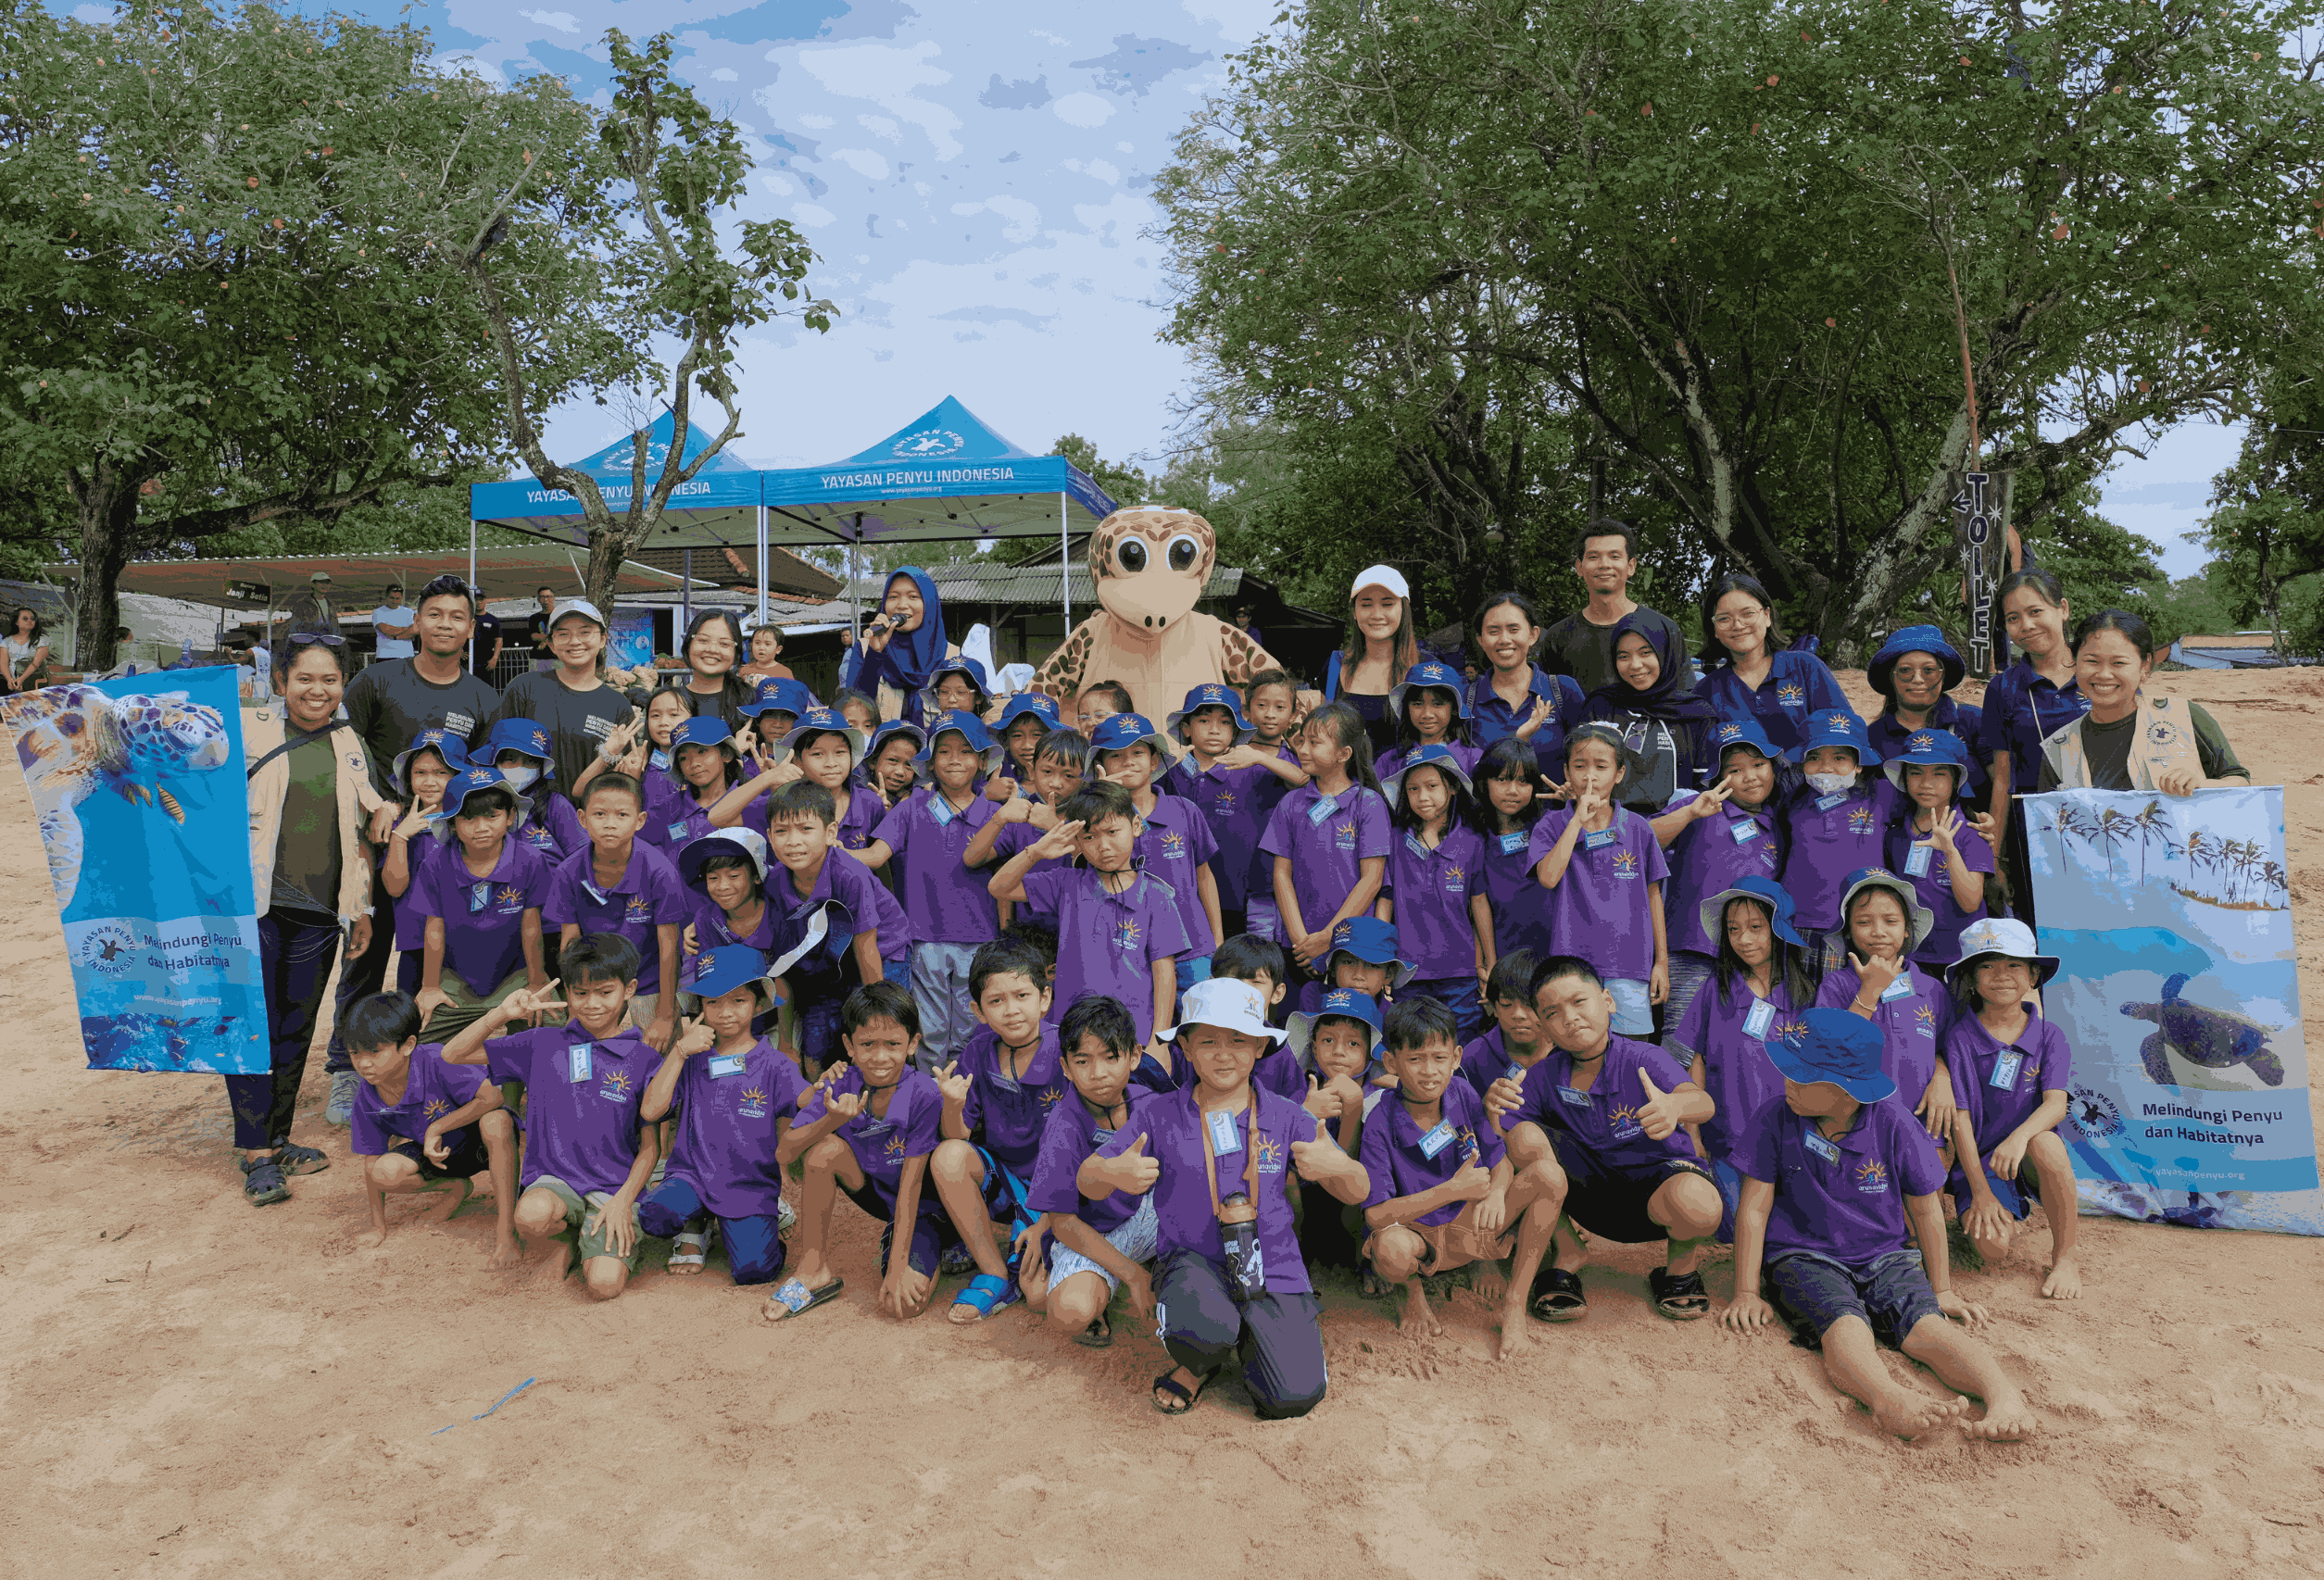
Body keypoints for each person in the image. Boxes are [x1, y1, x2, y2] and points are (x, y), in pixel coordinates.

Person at [1721, 1008, 2037, 1441]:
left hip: (1886, 1254)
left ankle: (2002, 1395)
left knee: (1926, 1324)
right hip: (1804, 1255)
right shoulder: (1775, 1117)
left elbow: (1927, 1210)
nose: (1787, 1084)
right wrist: (1745, 1291)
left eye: (1802, 1077)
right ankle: (1887, 1397)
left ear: (1847, 1092)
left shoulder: (1893, 1123)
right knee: (1843, 1322)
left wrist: (1941, 1287)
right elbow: (1754, 1209)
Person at [1082, 978, 1373, 1419]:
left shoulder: (1287, 1115)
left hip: (1272, 1266)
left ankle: (1258, 1337)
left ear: (1259, 1046)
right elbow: (1086, 1179)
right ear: (1184, 1046)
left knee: (1293, 1397)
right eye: (1209, 1041)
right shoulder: (1157, 1115)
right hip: (1192, 1262)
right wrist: (1112, 1171)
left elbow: (1359, 1187)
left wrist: (1336, 1168)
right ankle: (1198, 1362)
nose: (1223, 1053)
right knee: (1203, 1326)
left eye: (1238, 1040)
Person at [1485, 955, 1722, 1346]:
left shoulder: (1644, 1058)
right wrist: (1494, 1108)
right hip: (1589, 1194)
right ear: (1544, 1026)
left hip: (1656, 1190)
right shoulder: (1543, 1075)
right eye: (1554, 1012)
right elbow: (1504, 1139)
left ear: (1607, 1001)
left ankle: (1679, 1269)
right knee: (1524, 1136)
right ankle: (1566, 1253)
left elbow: (1704, 1103)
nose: (1570, 1017)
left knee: (1700, 1203)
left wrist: (1675, 1107)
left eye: (1579, 1002)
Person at [330, 574, 499, 1121]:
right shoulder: (379, 680)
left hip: (440, 849)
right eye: (435, 614)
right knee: (365, 955)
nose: (445, 624)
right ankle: (343, 1066)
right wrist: (377, 806)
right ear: (415, 623)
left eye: (456, 616)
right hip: (373, 840)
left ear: (470, 628)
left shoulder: (481, 697)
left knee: (423, 959)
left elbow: (483, 778)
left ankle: (413, 1068)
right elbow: (341, 746)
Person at [231, 627, 381, 1205]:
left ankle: (278, 1135)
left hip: (321, 914)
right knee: (253, 1029)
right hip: (255, 908)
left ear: (344, 685)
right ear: (280, 681)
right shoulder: (249, 731)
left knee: (296, 1029)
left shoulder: (349, 743)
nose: (317, 691)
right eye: (304, 679)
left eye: (330, 680)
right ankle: (256, 1152)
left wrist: (360, 908)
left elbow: (364, 834)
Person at [445, 939, 660, 1300]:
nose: (592, 1004)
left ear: (630, 990)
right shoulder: (542, 1043)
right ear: (568, 992)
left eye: (605, 992)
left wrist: (623, 1202)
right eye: (580, 992)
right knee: (531, 1215)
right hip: (554, 1185)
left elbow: (653, 1148)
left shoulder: (644, 1059)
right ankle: (564, 1244)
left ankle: (590, 1241)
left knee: (604, 1287)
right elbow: (452, 1054)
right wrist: (501, 1013)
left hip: (612, 1192)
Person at [1362, 997, 1554, 1339]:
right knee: (1390, 1250)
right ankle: (1413, 1293)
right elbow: (1376, 1216)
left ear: (1456, 1058)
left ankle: (1515, 1301)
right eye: (1415, 1059)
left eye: (1439, 1058)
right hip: (1419, 1234)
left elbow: (1500, 1161)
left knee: (1549, 1176)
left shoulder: (1463, 1092)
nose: (1430, 1071)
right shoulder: (1380, 1120)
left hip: (1473, 1219)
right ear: (1391, 1063)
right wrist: (1451, 1190)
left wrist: (1496, 1193)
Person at [761, 982, 950, 1322]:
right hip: (880, 1197)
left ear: (913, 1045)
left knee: (903, 1306)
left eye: (893, 1044)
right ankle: (813, 1268)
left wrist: (897, 1266)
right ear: (849, 1045)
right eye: (868, 1044)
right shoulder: (840, 1083)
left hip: (928, 1206)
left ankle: (942, 1243)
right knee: (823, 1150)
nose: (879, 1057)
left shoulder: (924, 1093)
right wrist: (830, 1119)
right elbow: (785, 1154)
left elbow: (912, 1186)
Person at [635, 946, 808, 1285]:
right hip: (693, 1177)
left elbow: (808, 1102)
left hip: (749, 1185)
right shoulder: (692, 1057)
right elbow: (651, 1110)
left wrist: (834, 1084)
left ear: (759, 1004)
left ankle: (762, 1222)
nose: (724, 1012)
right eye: (712, 1002)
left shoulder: (776, 1065)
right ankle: (695, 1222)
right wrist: (681, 1050)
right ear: (700, 1007)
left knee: (754, 1271)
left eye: (738, 1001)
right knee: (655, 1215)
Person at [987, 780, 1190, 1054]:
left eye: (1112, 831)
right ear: (1077, 840)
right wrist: (1035, 852)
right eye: (1090, 837)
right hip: (1071, 1030)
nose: (1103, 846)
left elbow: (1164, 972)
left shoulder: (1156, 894)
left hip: (1133, 1034)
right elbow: (999, 887)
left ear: (1136, 826)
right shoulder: (1067, 883)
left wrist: (1159, 1041)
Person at [1665, 878, 1818, 1235]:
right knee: (1737, 1228)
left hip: (1790, 1142)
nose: (1744, 939)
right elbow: (1697, 1060)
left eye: (1755, 927)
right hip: (1727, 1141)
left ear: (1778, 930)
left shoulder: (1805, 995)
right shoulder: (1715, 989)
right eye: (1733, 930)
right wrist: (1694, 1131)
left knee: (1791, 1229)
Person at [1941, 918, 2082, 1299]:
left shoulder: (2050, 1034)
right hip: (1982, 1162)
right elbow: (1961, 1120)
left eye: (2014, 964)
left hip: (2028, 1153)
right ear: (1970, 978)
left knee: (2048, 1145)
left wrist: (2019, 1140)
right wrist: (1981, 1190)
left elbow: (2056, 1104)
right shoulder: (1960, 1038)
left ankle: (2065, 1257)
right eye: (1986, 965)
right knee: (1992, 1250)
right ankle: (1991, 1205)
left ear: (2034, 975)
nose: (2001, 975)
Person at [858, 710, 1004, 1068]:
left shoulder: (997, 813)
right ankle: (931, 1106)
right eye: (944, 751)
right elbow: (876, 855)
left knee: (973, 1030)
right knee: (931, 1031)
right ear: (930, 761)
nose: (955, 759)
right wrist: (826, 852)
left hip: (982, 940)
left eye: (966, 750)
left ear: (983, 760)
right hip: (925, 940)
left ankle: (965, 1107)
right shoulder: (912, 808)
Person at [930, 937, 1063, 1323]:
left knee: (1037, 1293)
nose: (1011, 1010)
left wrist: (1048, 1219)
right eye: (996, 1001)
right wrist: (953, 1103)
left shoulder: (1068, 1047)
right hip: (1006, 1182)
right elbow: (958, 1136)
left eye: (1022, 995)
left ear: (1045, 998)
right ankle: (992, 1270)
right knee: (948, 1156)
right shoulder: (979, 1050)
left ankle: (1037, 1248)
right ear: (978, 1010)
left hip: (1061, 1187)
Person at [344, 990, 519, 1266]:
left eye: (375, 1051)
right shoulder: (367, 1096)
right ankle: (457, 1188)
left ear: (408, 1045)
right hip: (438, 1156)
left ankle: (506, 1232)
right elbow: (371, 1164)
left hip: (480, 1141)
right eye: (355, 1053)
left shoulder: (437, 1059)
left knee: (495, 1121)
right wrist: (378, 1227)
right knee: (384, 1171)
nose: (363, 1063)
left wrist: (437, 1127)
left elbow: (493, 1098)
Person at [1022, 995, 1158, 1349]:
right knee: (1069, 1311)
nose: (1098, 1073)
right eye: (1083, 1061)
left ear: (1134, 1056)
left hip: (1149, 1216)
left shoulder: (1148, 1101)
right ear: (1066, 1068)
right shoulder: (1063, 1123)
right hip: (1094, 1231)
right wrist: (1133, 1275)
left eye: (1111, 1057)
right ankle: (1107, 1280)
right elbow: (1063, 1220)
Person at [1526, 725, 1669, 1038]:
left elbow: (1653, 895)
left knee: (1630, 1054)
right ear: (1566, 771)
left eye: (1601, 766)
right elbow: (1548, 878)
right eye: (1580, 766)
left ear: (1619, 774)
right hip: (1571, 968)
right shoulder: (1551, 825)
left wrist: (1661, 962)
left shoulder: (1638, 828)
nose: (1590, 776)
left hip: (1630, 965)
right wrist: (1578, 819)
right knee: (1576, 1050)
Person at [759, 781, 911, 1069]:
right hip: (830, 959)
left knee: (880, 1036)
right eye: (781, 831)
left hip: (882, 951)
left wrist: (877, 1020)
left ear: (830, 833)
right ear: (769, 836)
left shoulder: (850, 874)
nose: (793, 841)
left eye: (806, 829)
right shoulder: (777, 882)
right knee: (815, 1050)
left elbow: (867, 949)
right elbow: (782, 963)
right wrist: (787, 1044)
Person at [1652, 717, 1786, 1039]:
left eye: (1758, 764)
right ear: (1718, 775)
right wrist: (1690, 813)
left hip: (1747, 956)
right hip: (1692, 951)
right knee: (1682, 1044)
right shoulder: (1700, 805)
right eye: (1735, 770)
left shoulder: (1778, 826)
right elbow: (1639, 841)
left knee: (1731, 1044)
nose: (1749, 777)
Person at [545, 773, 688, 1053]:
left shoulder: (660, 871)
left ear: (640, 820)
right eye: (600, 814)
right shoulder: (568, 872)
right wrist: (576, 1007)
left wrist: (666, 1015)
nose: (610, 824)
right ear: (583, 819)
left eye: (622, 814)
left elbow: (669, 947)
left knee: (653, 1071)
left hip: (648, 987)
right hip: (593, 986)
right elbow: (569, 943)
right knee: (593, 1067)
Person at [1261, 701, 1391, 1006]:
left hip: (1353, 948)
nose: (1303, 749)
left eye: (1315, 742)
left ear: (1344, 754)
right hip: (1298, 949)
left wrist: (1330, 935)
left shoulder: (1368, 804)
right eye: (1302, 740)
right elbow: (1281, 874)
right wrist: (1301, 942)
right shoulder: (1291, 803)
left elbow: (1372, 880)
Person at [2037, 609, 2252, 796]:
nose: (2103, 674)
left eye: (2119, 663)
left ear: (2145, 666)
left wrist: (2203, 786)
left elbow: (2239, 781)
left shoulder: (2185, 716)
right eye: (2091, 661)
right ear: (2075, 663)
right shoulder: (2058, 749)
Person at [407, 768, 554, 1039]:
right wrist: (429, 987)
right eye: (468, 818)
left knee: (555, 1030)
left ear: (510, 817)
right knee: (420, 1040)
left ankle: (512, 1079)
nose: (482, 827)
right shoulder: (436, 864)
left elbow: (531, 926)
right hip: (456, 979)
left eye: (492, 816)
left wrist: (535, 982)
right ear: (452, 823)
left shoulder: (531, 860)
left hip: (516, 974)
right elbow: (434, 928)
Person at [1977, 568, 2085, 927]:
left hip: (2106, 827)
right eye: (2013, 618)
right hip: (2036, 838)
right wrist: (1995, 859)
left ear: (2063, 609)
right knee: (2046, 933)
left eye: (2036, 611)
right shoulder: (2004, 688)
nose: (2026, 625)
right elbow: (2002, 779)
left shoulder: (2101, 672)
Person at [1814, 868, 1955, 1140]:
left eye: (1890, 921)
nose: (1878, 932)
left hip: (1923, 1129)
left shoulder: (1931, 989)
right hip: (1857, 1133)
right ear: (1848, 932)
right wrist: (1870, 989)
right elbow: (1831, 1052)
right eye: (1864, 922)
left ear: (1906, 931)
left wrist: (1942, 1077)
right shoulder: (1836, 986)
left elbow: (1944, 1049)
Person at [1162, 683, 1308, 946]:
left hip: (1244, 896)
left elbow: (1305, 780)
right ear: (1185, 728)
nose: (1214, 729)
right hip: (1184, 895)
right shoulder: (1171, 775)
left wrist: (1260, 758)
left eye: (1225, 722)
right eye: (1204, 720)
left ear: (1237, 730)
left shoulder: (1250, 769)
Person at [1090, 712, 1222, 995]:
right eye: (1116, 755)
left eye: (1138, 752)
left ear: (1154, 761)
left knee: (1198, 1026)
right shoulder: (1095, 820)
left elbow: (1205, 877)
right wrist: (1103, 803)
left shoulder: (1184, 810)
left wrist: (1218, 941)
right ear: (1101, 766)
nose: (1128, 761)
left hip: (1194, 948)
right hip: (1129, 954)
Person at [1377, 746, 1492, 1042]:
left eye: (1431, 786)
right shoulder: (1394, 839)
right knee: (1412, 1047)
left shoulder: (1471, 842)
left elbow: (1478, 904)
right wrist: (1381, 960)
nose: (1422, 797)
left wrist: (1488, 962)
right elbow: (1386, 900)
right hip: (1407, 973)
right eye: (1413, 789)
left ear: (1452, 787)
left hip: (1460, 974)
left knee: (1460, 1046)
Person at [1779, 709, 1894, 977]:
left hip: (1858, 926)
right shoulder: (1792, 802)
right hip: (1799, 924)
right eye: (1815, 757)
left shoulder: (1882, 796)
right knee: (1800, 1002)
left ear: (1859, 764)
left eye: (1839, 758)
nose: (1826, 767)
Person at [494, 598, 634, 808]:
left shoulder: (617, 705)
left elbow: (623, 777)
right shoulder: (525, 688)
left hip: (589, 825)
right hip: (527, 822)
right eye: (563, 634)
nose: (575, 641)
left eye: (585, 632)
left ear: (603, 639)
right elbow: (497, 754)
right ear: (551, 644)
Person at [1691, 572, 1847, 759]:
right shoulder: (1705, 692)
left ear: (1767, 616)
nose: (1738, 625)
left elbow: (1846, 736)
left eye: (1747, 613)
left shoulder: (1805, 667)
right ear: (1715, 629)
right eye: (1724, 618)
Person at [1577, 612, 1719, 814]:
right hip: (1609, 834)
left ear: (1665, 653)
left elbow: (1705, 788)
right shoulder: (1600, 706)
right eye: (1623, 656)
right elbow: (1581, 770)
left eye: (1646, 653)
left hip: (1679, 832)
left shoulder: (1696, 713)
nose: (1635, 665)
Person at [1882, 731, 1993, 970]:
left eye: (1939, 774)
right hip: (1910, 955)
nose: (1926, 783)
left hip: (1963, 955)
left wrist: (1950, 850)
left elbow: (1971, 902)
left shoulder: (1972, 831)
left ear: (1956, 780)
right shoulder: (1895, 832)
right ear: (1903, 778)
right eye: (1915, 773)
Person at [1539, 520, 1688, 696]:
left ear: (1631, 566)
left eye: (1614, 556)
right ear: (1579, 567)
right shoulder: (1558, 637)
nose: (1604, 565)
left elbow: (1684, 701)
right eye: (1593, 557)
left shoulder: (1663, 629)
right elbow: (1547, 707)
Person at [1865, 624, 1989, 812]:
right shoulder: (1872, 737)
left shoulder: (1973, 721)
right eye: (1905, 670)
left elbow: (2002, 786)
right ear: (1891, 676)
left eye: (1929, 670)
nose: (1917, 679)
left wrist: (1996, 833)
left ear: (1944, 674)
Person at [1469, 591, 1586, 781]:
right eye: (1493, 631)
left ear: (1533, 635)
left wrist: (1574, 788)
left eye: (1514, 629)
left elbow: (1587, 758)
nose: (1504, 639)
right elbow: (1464, 773)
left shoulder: (1563, 691)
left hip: (1558, 810)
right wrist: (1518, 738)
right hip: (1487, 811)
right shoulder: (1467, 698)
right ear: (1481, 640)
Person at [1323, 564, 1422, 759]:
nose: (1376, 614)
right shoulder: (1335, 666)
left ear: (1404, 608)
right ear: (1354, 612)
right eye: (1366, 604)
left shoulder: (1427, 668)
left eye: (1387, 604)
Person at [841, 567, 959, 725]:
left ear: (929, 603)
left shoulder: (951, 656)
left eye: (913, 596)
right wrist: (875, 654)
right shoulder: (864, 649)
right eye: (893, 597)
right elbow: (854, 709)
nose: (902, 605)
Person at [1475, 738, 1554, 967]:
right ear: (1484, 782)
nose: (1512, 791)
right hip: (1504, 959)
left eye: (1523, 781)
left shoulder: (1550, 825)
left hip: (1554, 956)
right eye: (1502, 780)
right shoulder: (1475, 836)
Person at [1375, 659, 1482, 782]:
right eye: (1417, 704)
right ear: (1406, 708)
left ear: (1455, 708)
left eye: (1437, 704)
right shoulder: (1388, 761)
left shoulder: (1474, 759)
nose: (1427, 714)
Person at [676, 609, 753, 730]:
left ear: (735, 652)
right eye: (703, 640)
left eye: (724, 644)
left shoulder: (751, 702)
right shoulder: (667, 700)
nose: (712, 649)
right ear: (689, 643)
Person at [1, 606, 50, 694]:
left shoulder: (42, 640)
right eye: (25, 618)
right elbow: (3, 663)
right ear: (16, 622)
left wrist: (21, 679)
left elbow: (36, 664)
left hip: (34, 680)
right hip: (12, 680)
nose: (29, 621)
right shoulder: (6, 641)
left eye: (32, 619)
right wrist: (9, 679)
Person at [737, 620, 794, 685]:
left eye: (767, 644)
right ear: (752, 645)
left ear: (778, 649)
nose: (761, 648)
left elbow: (790, 694)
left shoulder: (784, 673)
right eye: (757, 643)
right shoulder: (744, 670)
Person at [370, 583, 416, 661]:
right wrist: (406, 628)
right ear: (386, 597)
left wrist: (395, 637)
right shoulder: (378, 612)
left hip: (407, 656)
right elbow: (386, 630)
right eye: (392, 598)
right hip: (385, 656)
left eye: (397, 598)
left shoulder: (409, 612)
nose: (394, 601)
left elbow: (414, 631)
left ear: (401, 598)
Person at [525, 587, 559, 663]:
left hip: (558, 658)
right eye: (542, 597)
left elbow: (562, 636)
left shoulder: (560, 616)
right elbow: (533, 636)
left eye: (548, 596)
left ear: (553, 598)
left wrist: (543, 639)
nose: (546, 600)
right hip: (538, 658)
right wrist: (550, 637)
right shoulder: (534, 618)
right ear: (538, 599)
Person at [471, 602, 503, 683]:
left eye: (481, 599)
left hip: (486, 661)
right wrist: (459, 651)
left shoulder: (493, 619)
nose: (479, 602)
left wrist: (495, 658)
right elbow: (458, 634)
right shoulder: (468, 618)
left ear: (485, 601)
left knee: (485, 688)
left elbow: (498, 640)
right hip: (468, 660)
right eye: (477, 599)